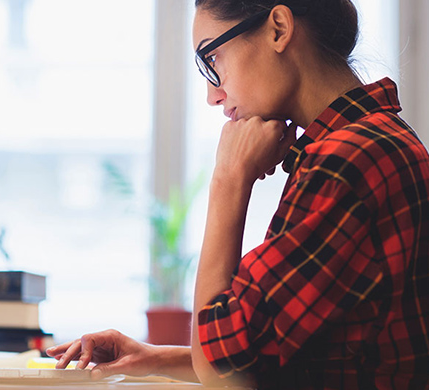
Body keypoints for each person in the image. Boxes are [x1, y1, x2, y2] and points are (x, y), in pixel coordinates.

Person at [47, 0, 429, 388]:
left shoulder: (347, 161)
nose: (213, 95)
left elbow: (223, 372)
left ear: (279, 28)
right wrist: (153, 358)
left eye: (212, 58)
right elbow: (271, 354)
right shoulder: (369, 141)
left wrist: (228, 181)